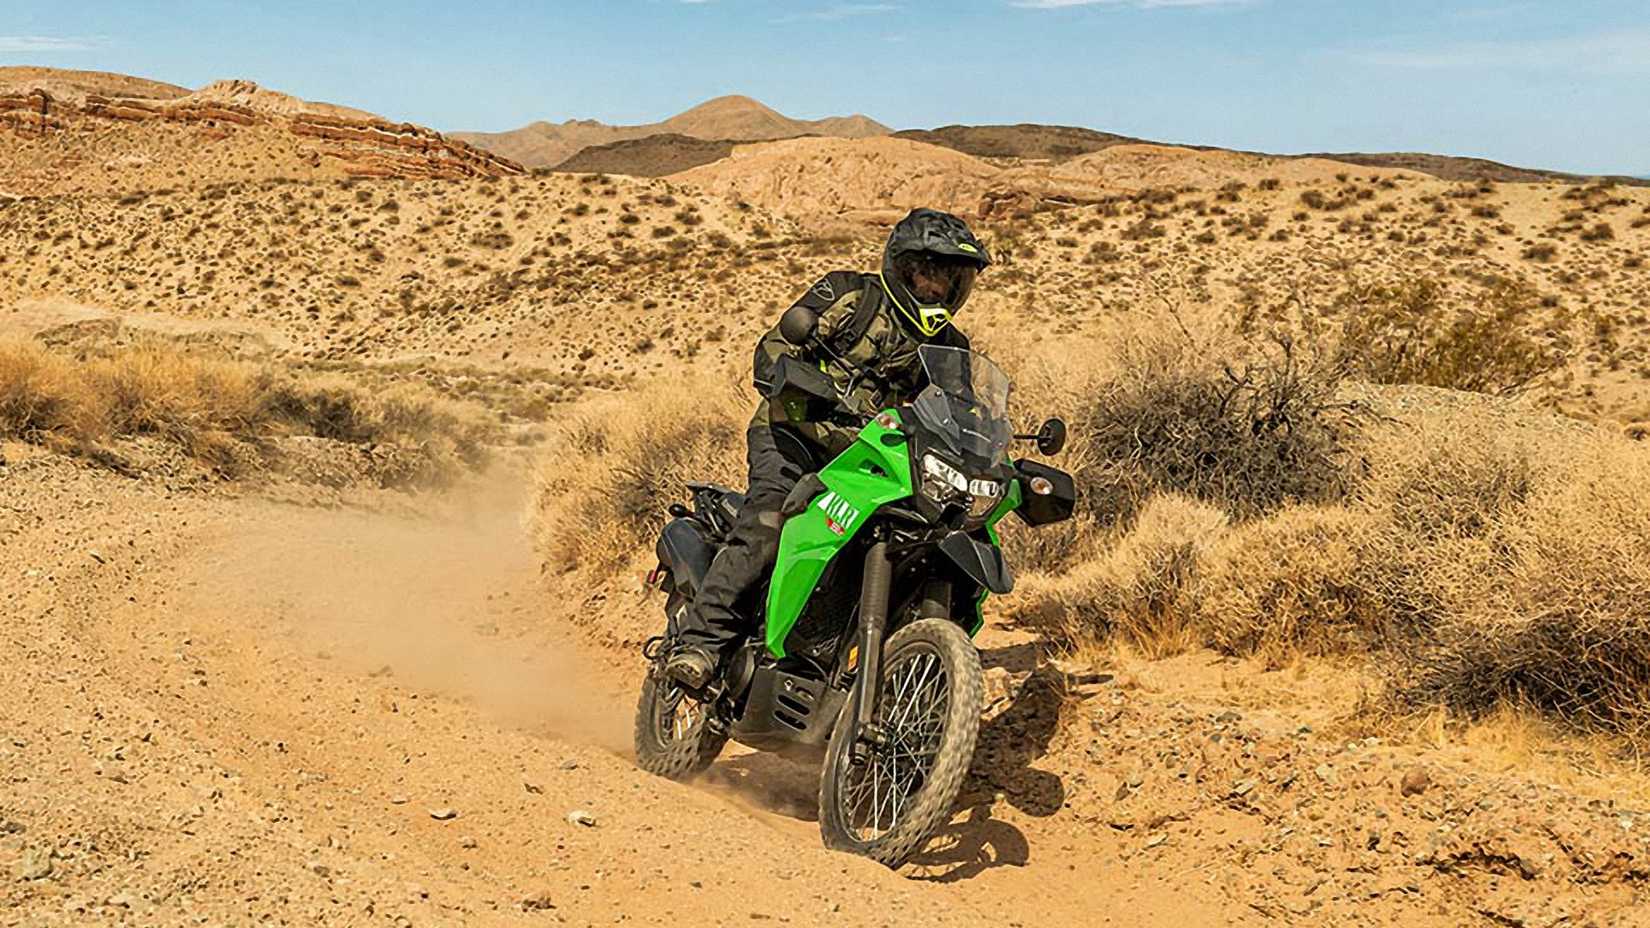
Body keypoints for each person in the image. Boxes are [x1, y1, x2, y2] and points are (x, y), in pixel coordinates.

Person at [667, 207, 993, 688]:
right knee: (769, 526)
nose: (935, 289)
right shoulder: (849, 295)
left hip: (873, 462)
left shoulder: (952, 347)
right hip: (795, 436)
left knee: (928, 541)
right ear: (903, 267)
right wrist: (791, 380)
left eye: (949, 280)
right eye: (927, 273)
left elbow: (963, 413)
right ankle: (702, 643)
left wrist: (986, 446)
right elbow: (776, 346)